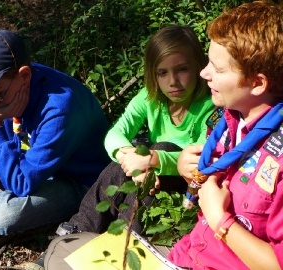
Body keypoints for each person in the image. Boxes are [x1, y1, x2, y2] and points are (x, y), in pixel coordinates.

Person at [42, 25, 216, 269]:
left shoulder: (210, 104)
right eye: (162, 73)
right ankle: (76, 231)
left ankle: (128, 242)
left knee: (162, 145)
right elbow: (115, 134)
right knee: (120, 163)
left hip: (188, 189)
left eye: (182, 69)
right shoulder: (151, 97)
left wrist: (154, 159)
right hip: (148, 178)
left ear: (199, 65)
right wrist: (134, 160)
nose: (172, 81)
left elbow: (202, 157)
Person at [0, 29, 111, 250]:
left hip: (70, 181)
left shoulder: (61, 107)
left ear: (24, 75)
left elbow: (21, 184)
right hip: (22, 166)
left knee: (7, 213)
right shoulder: (0, 87)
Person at [168, 1, 283, 269]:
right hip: (187, 255)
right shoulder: (229, 119)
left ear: (257, 83)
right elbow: (210, 185)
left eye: (218, 69)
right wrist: (190, 172)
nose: (203, 73)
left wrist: (220, 219)